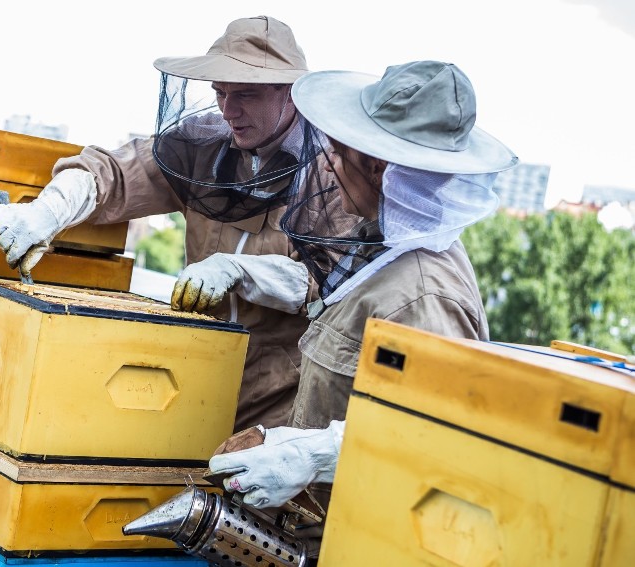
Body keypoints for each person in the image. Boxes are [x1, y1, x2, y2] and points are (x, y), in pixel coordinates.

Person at [208, 59, 518, 540]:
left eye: (338, 151)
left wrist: (305, 457)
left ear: (378, 166)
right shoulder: (382, 249)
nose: (327, 161)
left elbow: (436, 437)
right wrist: (286, 442)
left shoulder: (422, 294)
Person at [0, 16, 327, 431]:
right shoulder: (203, 145)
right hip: (190, 378)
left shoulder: (331, 174)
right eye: (220, 93)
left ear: (290, 94)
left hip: (277, 406)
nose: (228, 109)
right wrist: (47, 210)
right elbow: (114, 173)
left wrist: (239, 271)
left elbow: (329, 281)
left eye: (246, 94)